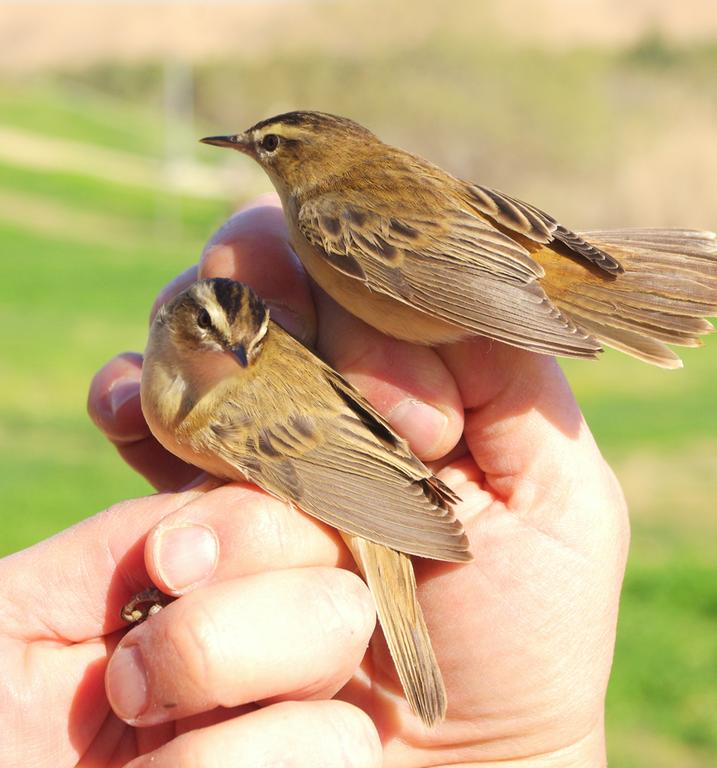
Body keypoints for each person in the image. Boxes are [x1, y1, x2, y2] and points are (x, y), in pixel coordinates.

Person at [0, 196, 628, 767]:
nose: (238, 362)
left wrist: (524, 749)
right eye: (210, 336)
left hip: (366, 492)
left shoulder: (229, 406)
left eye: (252, 346)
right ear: (173, 322)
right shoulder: (175, 384)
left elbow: (329, 465)